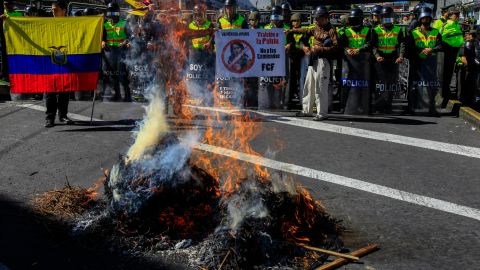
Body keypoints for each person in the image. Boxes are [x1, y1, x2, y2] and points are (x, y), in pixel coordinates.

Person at [290, 6, 338, 121]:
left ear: (325, 18)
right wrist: (291, 30)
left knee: (320, 88)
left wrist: (319, 49)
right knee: (309, 85)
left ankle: (322, 113)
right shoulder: (317, 27)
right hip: (314, 60)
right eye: (315, 18)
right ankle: (307, 110)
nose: (316, 20)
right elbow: (305, 30)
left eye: (318, 18)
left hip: (323, 61)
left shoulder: (331, 30)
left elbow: (336, 48)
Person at [406, 7, 442, 116]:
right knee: (414, 85)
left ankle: (432, 108)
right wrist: (421, 51)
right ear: (420, 19)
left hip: (431, 63)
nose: (426, 20)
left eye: (428, 18)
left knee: (431, 86)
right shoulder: (414, 33)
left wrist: (432, 49)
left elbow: (441, 45)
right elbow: (409, 47)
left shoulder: (436, 32)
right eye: (424, 18)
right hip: (417, 63)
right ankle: (411, 107)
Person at [370, 6, 405, 114]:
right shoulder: (375, 30)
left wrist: (401, 56)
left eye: (389, 17)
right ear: (381, 18)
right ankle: (378, 105)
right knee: (379, 83)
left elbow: (402, 44)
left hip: (393, 59)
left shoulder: (397, 30)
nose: (387, 19)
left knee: (391, 83)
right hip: (380, 59)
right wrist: (376, 56)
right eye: (385, 17)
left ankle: (388, 105)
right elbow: (373, 45)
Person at [44, 1, 72, 127]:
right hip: (49, 60)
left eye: (55, 10)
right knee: (49, 90)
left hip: (66, 60)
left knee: (64, 90)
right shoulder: (46, 23)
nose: (52, 12)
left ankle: (63, 116)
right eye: (52, 10)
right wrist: (8, 20)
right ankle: (50, 118)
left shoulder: (72, 24)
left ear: (64, 10)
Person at [340, 8, 372, 115]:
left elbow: (369, 44)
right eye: (352, 20)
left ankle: (363, 106)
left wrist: (360, 50)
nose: (353, 23)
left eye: (355, 20)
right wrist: (347, 49)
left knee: (363, 86)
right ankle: (344, 106)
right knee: (346, 85)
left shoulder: (367, 30)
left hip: (363, 63)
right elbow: (342, 44)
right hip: (348, 63)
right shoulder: (346, 31)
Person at [102, 2, 132, 102]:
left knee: (122, 75)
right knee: (112, 75)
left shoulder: (124, 23)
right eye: (110, 13)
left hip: (121, 51)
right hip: (109, 52)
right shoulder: (105, 25)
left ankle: (127, 96)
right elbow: (102, 38)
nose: (112, 16)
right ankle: (116, 94)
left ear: (117, 13)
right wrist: (102, 42)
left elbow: (130, 37)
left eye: (114, 13)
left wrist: (126, 42)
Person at [186, 4, 214, 105]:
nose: (199, 17)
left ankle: (207, 99)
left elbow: (214, 38)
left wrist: (209, 42)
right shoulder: (190, 25)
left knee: (206, 78)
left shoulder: (209, 25)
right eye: (197, 15)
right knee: (194, 78)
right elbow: (187, 40)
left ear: (204, 15)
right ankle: (195, 97)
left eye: (200, 15)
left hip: (206, 56)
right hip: (194, 56)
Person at [439, 7, 464, 108]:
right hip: (447, 52)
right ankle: (444, 96)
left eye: (457, 14)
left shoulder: (457, 25)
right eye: (455, 14)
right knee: (445, 75)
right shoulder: (446, 25)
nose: (456, 16)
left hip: (455, 52)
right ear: (450, 15)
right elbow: (441, 38)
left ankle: (446, 95)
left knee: (449, 75)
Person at [286, 12, 310, 109]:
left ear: (300, 22)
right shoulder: (289, 31)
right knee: (291, 79)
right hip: (292, 57)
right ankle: (290, 99)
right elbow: (289, 43)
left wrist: (301, 47)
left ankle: (302, 100)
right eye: (293, 21)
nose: (294, 23)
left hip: (301, 57)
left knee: (302, 79)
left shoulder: (304, 31)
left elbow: (305, 43)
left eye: (296, 21)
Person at [459, 30, 478, 107]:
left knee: (473, 85)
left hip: (474, 67)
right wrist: (467, 66)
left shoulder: (477, 43)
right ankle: (463, 100)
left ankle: (471, 101)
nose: (472, 36)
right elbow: (463, 57)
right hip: (467, 67)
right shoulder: (464, 43)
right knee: (465, 84)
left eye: (474, 35)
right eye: (470, 34)